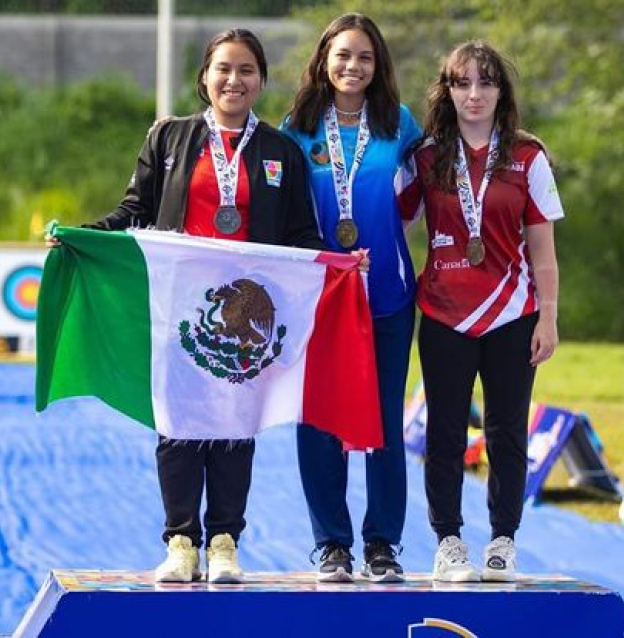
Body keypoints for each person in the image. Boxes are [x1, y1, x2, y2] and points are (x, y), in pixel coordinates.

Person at [49, 29, 326, 584]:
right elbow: (135, 209)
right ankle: (181, 541)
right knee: (178, 424)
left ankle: (224, 541)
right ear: (204, 78)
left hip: (248, 318)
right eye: (223, 69)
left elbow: (300, 234)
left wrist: (339, 265)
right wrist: (85, 236)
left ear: (262, 81)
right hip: (180, 311)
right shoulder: (170, 138)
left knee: (235, 425)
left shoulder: (281, 152)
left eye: (247, 70)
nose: (234, 80)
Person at [398, 40, 564, 582]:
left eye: (486, 83)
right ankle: (448, 541)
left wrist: (549, 316)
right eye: (462, 83)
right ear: (446, 91)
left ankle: (502, 542)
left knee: (506, 432)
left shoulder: (528, 156)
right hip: (445, 312)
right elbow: (394, 222)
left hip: (513, 313)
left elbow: (542, 247)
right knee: (444, 432)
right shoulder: (424, 156)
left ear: (501, 91)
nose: (474, 94)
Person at [282, 13, 421, 584]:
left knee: (383, 419)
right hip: (321, 298)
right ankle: (332, 544)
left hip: (388, 292)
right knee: (319, 418)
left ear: (378, 65)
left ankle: (383, 543)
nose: (352, 66)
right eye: (342, 55)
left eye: (364, 57)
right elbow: (280, 203)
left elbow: (435, 181)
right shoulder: (299, 126)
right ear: (322, 61)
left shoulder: (401, 123)